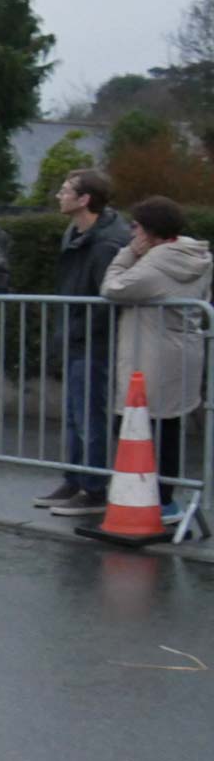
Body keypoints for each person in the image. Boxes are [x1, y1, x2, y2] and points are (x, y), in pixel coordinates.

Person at [100, 196, 211, 525]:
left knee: (136, 426)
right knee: (168, 427)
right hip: (181, 350)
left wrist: (128, 254)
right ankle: (164, 499)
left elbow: (112, 287)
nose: (131, 233)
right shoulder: (197, 256)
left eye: (136, 227)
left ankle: (150, 498)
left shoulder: (154, 265)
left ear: (150, 232)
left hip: (149, 354)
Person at [34, 170, 133, 517]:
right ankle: (74, 479)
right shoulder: (77, 233)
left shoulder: (105, 243)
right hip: (77, 337)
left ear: (84, 199)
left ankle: (93, 487)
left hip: (94, 342)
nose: (59, 196)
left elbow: (106, 300)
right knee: (76, 416)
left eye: (66, 191)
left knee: (90, 417)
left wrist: (79, 331)